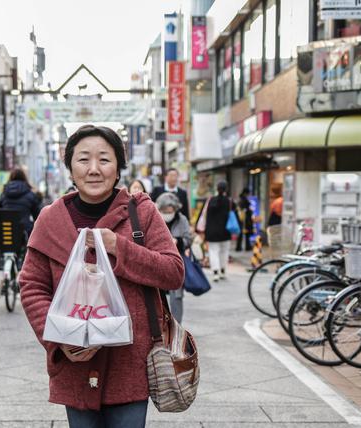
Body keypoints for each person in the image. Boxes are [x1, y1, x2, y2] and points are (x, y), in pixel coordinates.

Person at [19, 124, 185, 427]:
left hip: (131, 367)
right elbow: (32, 286)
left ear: (119, 168)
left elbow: (173, 272)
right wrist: (59, 341)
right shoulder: (50, 219)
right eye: (83, 159)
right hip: (74, 364)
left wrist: (118, 247)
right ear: (70, 168)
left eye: (104, 159)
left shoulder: (142, 213)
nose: (94, 169)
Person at [156, 192, 192, 323]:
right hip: (158, 262)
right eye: (165, 210)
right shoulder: (154, 218)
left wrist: (178, 241)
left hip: (176, 262)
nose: (168, 213)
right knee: (157, 296)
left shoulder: (182, 219)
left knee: (176, 296)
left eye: (170, 210)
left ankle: (177, 326)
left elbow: (188, 239)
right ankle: (160, 325)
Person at [200, 181, 235, 282]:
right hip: (225, 231)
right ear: (226, 189)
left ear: (217, 188)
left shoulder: (210, 200)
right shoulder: (229, 201)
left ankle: (215, 272)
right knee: (224, 252)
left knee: (213, 252)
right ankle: (223, 271)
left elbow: (204, 216)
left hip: (211, 232)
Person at [0, 168, 42, 240]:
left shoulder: (3, 195)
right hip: (25, 232)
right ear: (24, 178)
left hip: (6, 233)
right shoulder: (30, 195)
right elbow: (37, 216)